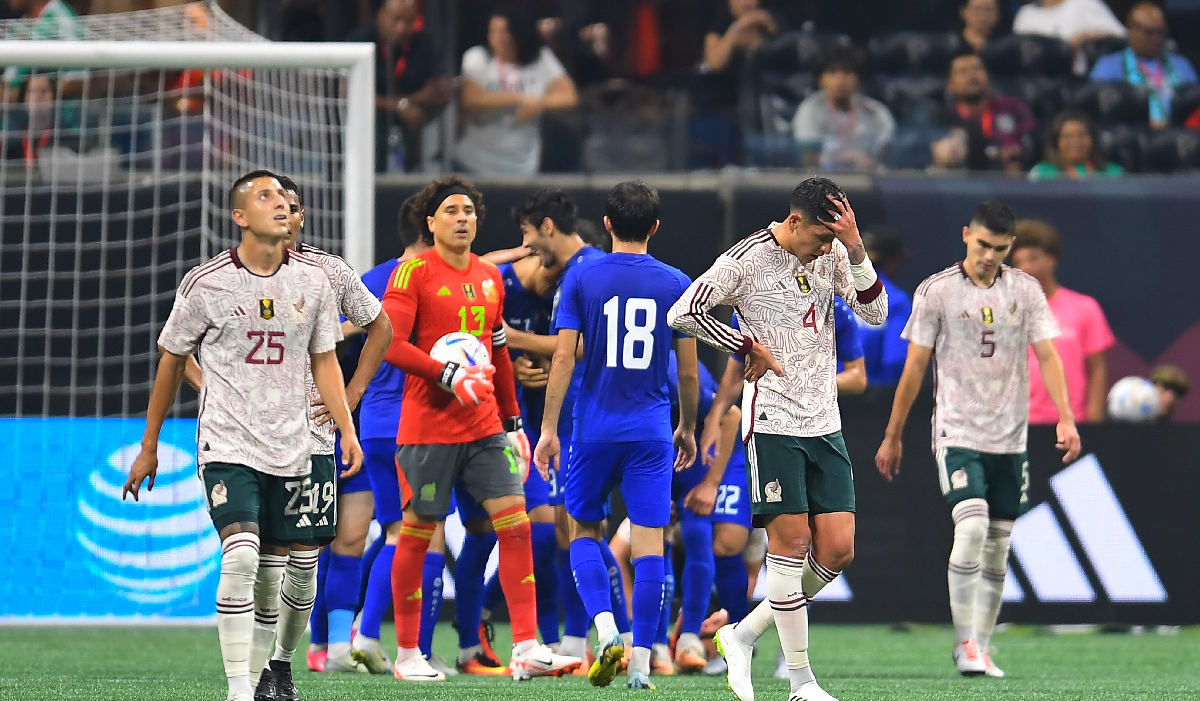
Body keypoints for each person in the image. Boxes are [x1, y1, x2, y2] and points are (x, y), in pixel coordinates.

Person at [121, 170, 364, 701]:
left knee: (292, 572)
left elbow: (324, 360)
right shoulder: (207, 283)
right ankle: (238, 690)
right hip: (228, 443)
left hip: (296, 444)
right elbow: (171, 359)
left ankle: (277, 667)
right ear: (239, 216)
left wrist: (346, 427)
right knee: (243, 556)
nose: (280, 204)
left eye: (283, 197)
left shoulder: (315, 280)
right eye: (265, 196)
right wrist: (149, 445)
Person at [670, 177, 888, 701]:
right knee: (789, 547)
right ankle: (801, 682)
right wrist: (743, 344)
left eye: (835, 240)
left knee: (837, 551)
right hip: (772, 422)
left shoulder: (835, 253)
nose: (825, 249)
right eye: (821, 237)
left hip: (825, 422)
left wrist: (855, 247)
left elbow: (875, 312)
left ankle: (742, 634)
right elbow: (683, 313)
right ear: (794, 222)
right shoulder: (745, 260)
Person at [379, 175, 580, 682]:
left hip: (486, 426)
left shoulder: (490, 278)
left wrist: (514, 421)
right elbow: (392, 345)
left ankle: (528, 645)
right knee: (418, 535)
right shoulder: (412, 274)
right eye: (450, 210)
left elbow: (497, 353)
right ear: (431, 222)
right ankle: (406, 654)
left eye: (469, 210)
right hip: (427, 427)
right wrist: (445, 373)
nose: (462, 217)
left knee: (517, 526)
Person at [876, 201, 1082, 679]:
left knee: (998, 544)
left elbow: (1048, 356)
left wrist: (1066, 419)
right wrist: (893, 434)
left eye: (1000, 248)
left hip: (1010, 436)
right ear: (967, 235)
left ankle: (982, 646)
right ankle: (965, 641)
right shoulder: (938, 291)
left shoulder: (1025, 291)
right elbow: (914, 366)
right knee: (970, 529)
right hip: (958, 430)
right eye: (983, 244)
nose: (990, 255)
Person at [535, 181, 699, 690]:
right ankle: (643, 664)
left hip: (593, 429)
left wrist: (547, 429)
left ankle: (606, 631)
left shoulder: (582, 277)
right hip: (651, 430)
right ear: (654, 227)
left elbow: (563, 356)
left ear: (606, 225)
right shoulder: (677, 282)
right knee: (651, 546)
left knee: (584, 531)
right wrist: (688, 428)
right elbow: (689, 373)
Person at [504, 189, 610, 668]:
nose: (526, 245)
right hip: (566, 416)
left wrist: (513, 339)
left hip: (581, 419)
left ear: (547, 227)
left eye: (528, 233)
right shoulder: (575, 271)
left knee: (575, 532)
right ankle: (566, 641)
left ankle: (594, 636)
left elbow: (583, 347)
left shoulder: (586, 270)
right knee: (558, 534)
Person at [451, 242, 567, 676]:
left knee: (539, 530)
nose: (554, 286)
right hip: (462, 423)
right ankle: (467, 644)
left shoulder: (549, 300)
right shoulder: (492, 282)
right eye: (552, 275)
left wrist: (521, 367)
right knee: (476, 536)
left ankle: (533, 639)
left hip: (513, 425)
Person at [456, 2, 580, 175]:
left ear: (520, 32)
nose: (498, 38)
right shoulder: (477, 57)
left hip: (522, 167)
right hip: (475, 164)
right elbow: (471, 99)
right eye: (493, 31)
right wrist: (521, 98)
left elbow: (569, 96)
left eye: (505, 31)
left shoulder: (540, 58)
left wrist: (540, 103)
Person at [1010, 219, 1114, 424]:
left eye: (1032, 259)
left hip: (1074, 424)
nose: (1025, 268)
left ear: (1052, 259)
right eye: (1018, 262)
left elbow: (1097, 369)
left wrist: (1093, 420)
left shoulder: (1085, 308)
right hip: (1020, 426)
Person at [346, 0, 451, 172]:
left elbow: (441, 91)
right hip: (368, 126)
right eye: (396, 20)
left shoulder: (427, 43)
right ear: (381, 16)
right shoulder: (361, 40)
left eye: (409, 21)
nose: (401, 27)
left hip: (416, 124)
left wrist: (404, 104)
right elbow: (346, 93)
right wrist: (399, 105)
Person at [1089, 2, 1197, 130]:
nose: (1156, 39)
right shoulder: (1108, 65)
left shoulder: (1181, 64)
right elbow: (1099, 109)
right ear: (1131, 30)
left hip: (1176, 132)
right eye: (1149, 32)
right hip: (1133, 134)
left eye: (1160, 32)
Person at [792, 46, 895, 174]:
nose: (840, 81)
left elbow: (888, 154)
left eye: (847, 73)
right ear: (820, 79)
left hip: (870, 182)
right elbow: (808, 159)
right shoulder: (810, 110)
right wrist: (847, 158)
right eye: (832, 72)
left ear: (859, 79)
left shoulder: (875, 112)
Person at [931, 50, 1036, 173]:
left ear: (988, 76)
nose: (972, 75)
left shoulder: (1012, 107)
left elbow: (1034, 141)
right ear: (949, 84)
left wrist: (1018, 154)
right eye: (963, 71)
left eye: (977, 68)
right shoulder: (942, 118)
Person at [855, 229, 911, 387]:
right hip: (872, 398)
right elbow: (895, 359)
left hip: (829, 395)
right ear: (892, 260)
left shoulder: (836, 293)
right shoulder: (896, 300)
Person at [3, 0, 84, 104]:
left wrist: (30, 96)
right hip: (13, 115)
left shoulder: (62, 20)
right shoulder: (23, 22)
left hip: (55, 117)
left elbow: (79, 78)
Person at [1029, 110, 1123, 179]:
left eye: (1082, 135)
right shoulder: (1041, 174)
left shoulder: (1113, 173)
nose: (1076, 141)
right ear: (1056, 141)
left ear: (1093, 139)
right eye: (1067, 136)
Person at [1012, 0, 1125, 49]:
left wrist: (1088, 36)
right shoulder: (1025, 13)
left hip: (1075, 81)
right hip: (1035, 80)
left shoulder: (1083, 4)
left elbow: (1122, 35)